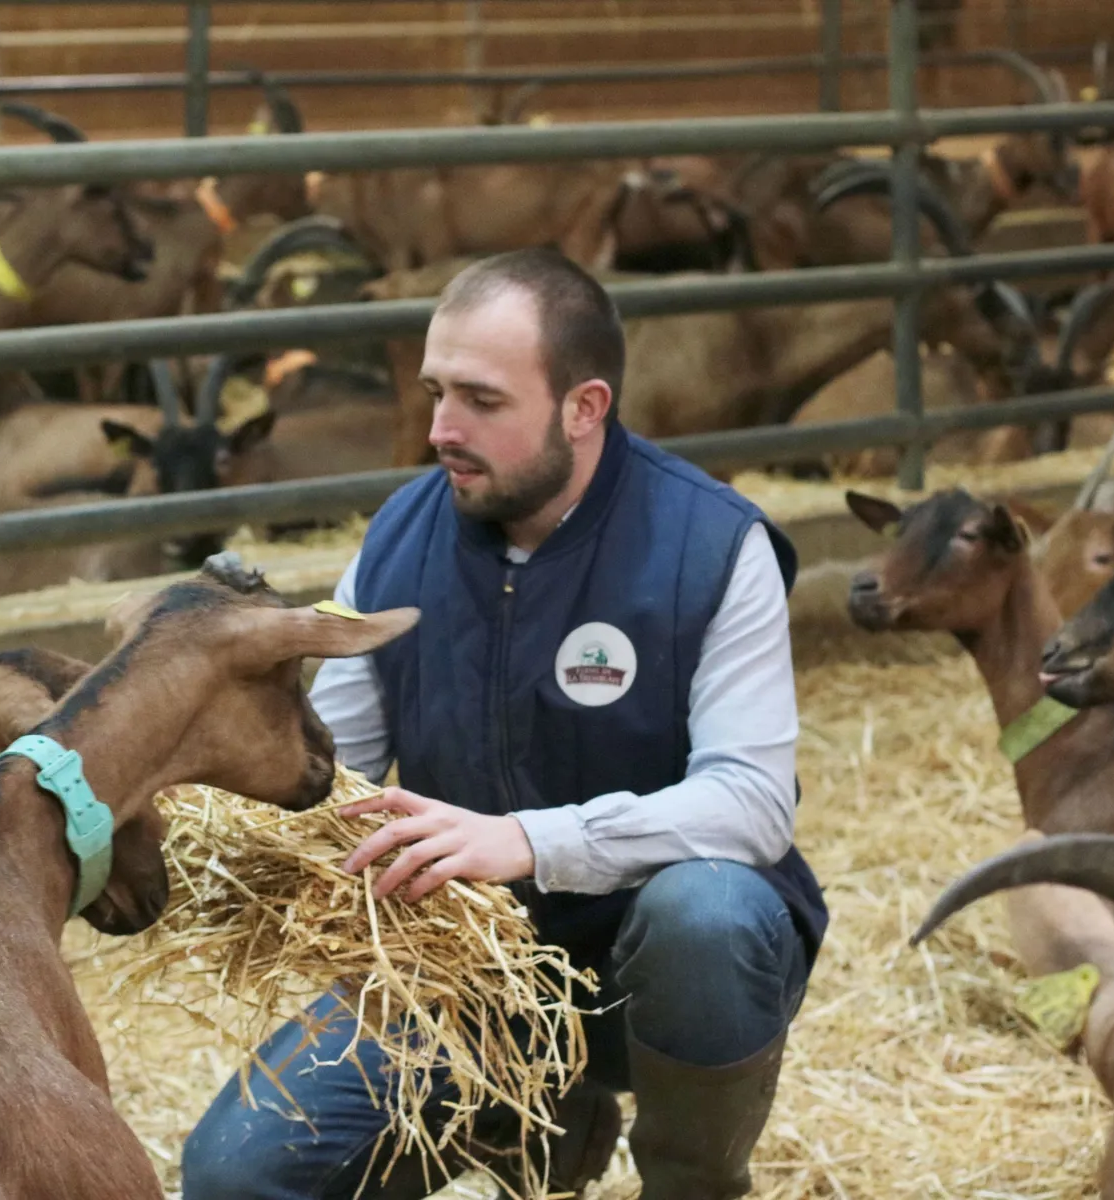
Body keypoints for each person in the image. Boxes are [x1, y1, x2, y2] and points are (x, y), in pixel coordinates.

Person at [180, 248, 829, 1200]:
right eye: (437, 391)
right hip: (457, 969)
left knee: (708, 913)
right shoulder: (398, 540)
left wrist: (528, 841)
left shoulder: (712, 546)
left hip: (651, 971)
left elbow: (754, 804)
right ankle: (529, 1117)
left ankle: (691, 1184)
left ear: (584, 407)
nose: (441, 428)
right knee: (234, 1177)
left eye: (481, 401)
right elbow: (332, 784)